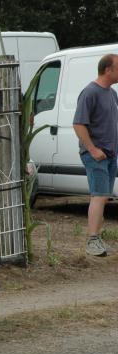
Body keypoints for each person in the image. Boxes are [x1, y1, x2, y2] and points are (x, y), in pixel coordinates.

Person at [73, 54, 118, 257]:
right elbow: (78, 124)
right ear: (108, 70)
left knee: (104, 197)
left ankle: (97, 238)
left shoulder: (112, 94)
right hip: (96, 154)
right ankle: (92, 241)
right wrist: (92, 149)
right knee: (98, 196)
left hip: (110, 154)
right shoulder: (90, 92)